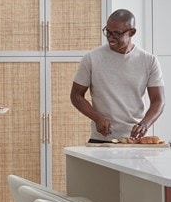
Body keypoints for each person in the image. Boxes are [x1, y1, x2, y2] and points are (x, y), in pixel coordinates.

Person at [70, 9, 165, 142]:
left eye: (116, 34)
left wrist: (144, 124)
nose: (110, 38)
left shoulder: (149, 61)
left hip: (133, 140)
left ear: (132, 32)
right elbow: (76, 95)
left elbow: (158, 101)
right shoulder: (92, 58)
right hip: (101, 138)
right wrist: (97, 118)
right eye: (108, 32)